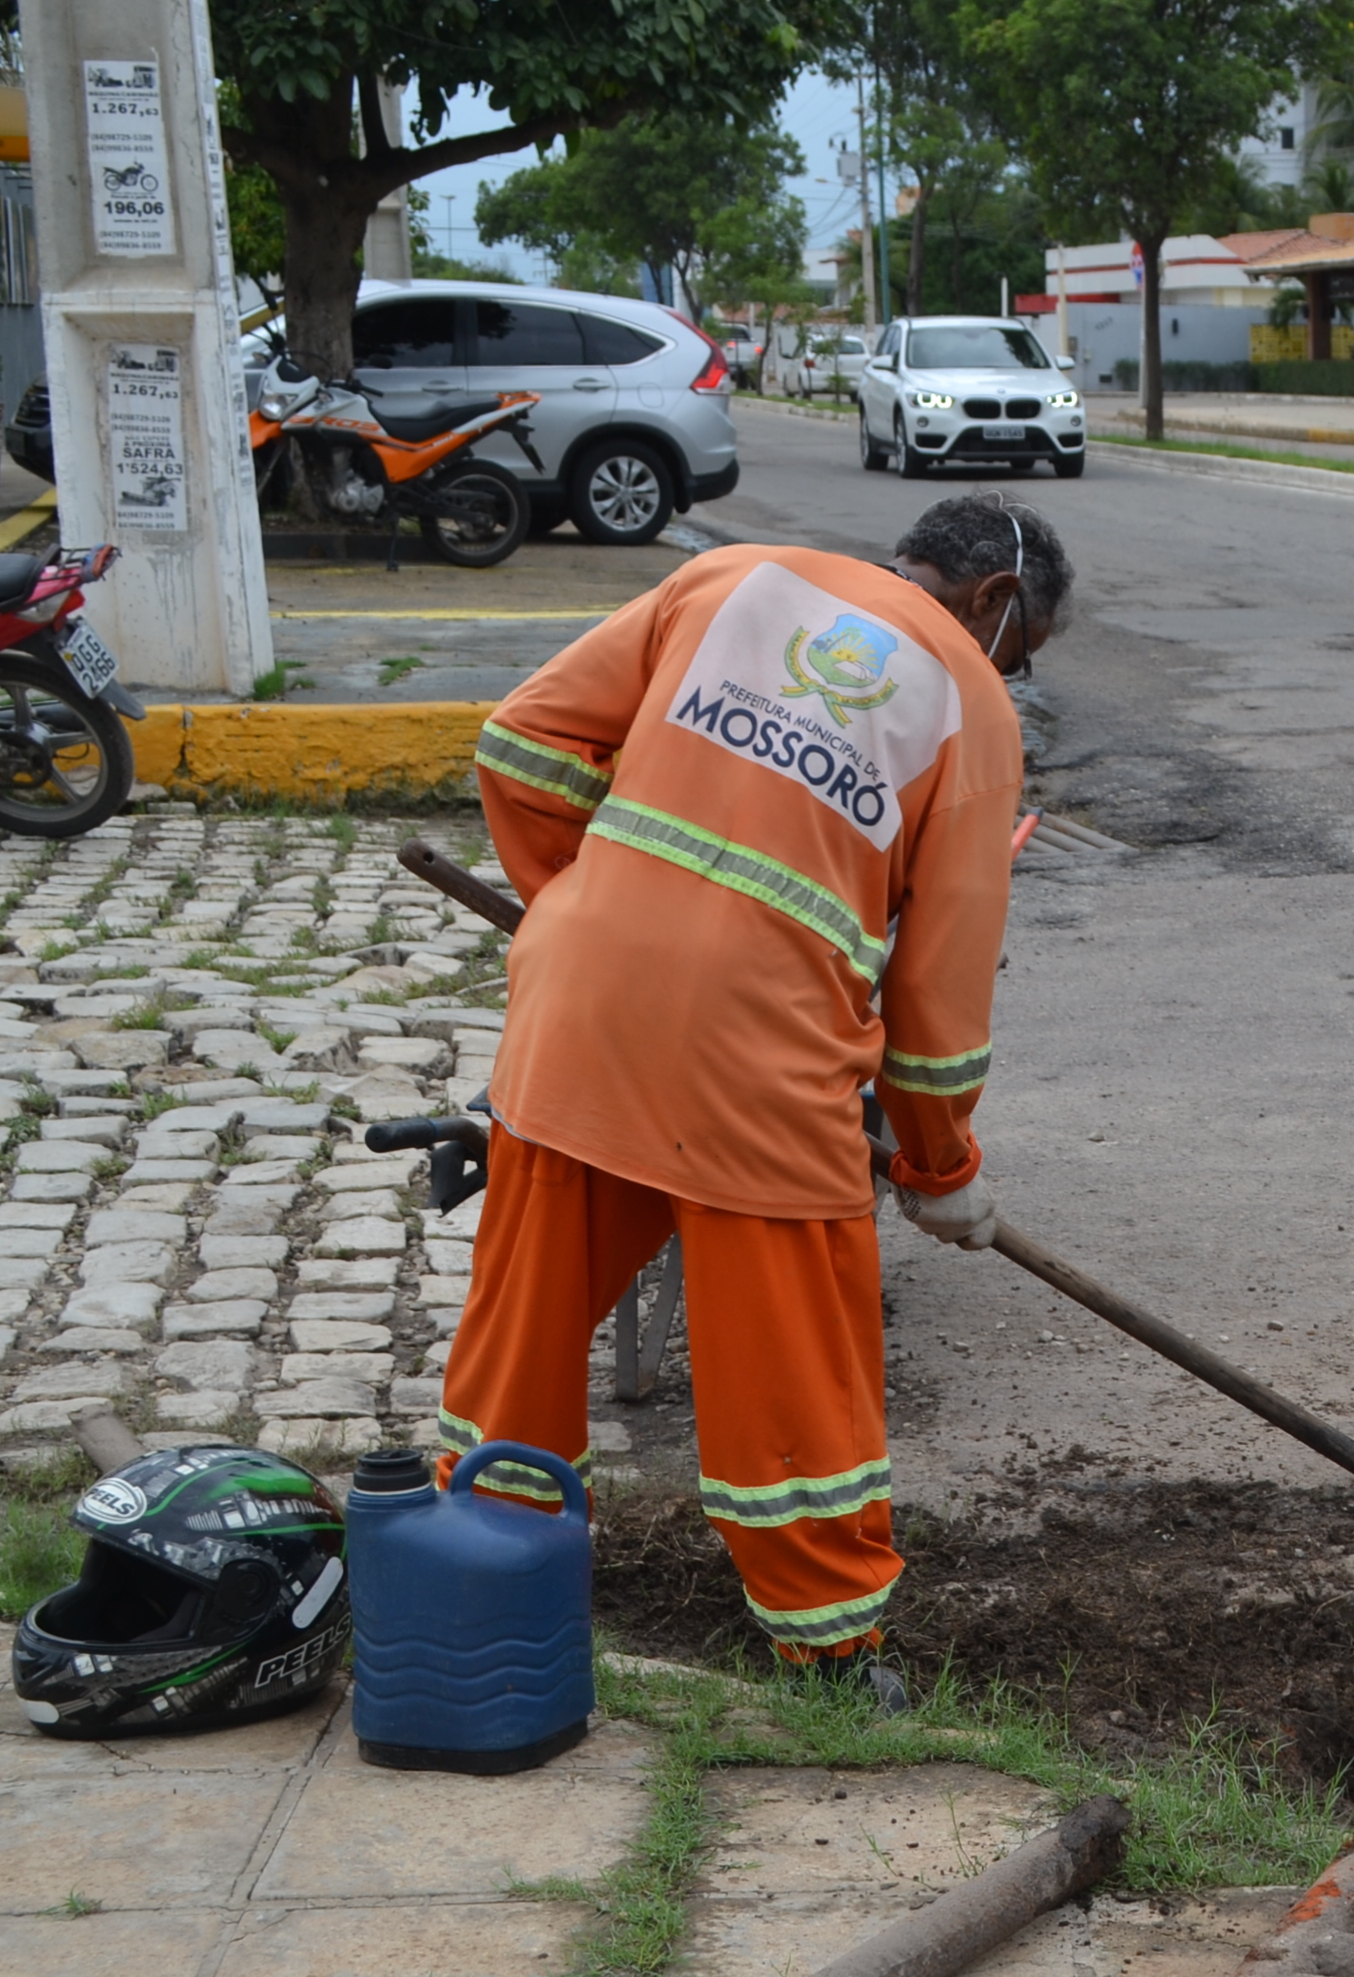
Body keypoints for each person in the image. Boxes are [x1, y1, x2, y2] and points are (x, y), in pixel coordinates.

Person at [439, 494, 1069, 1705]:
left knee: (521, 1336)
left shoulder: (727, 578)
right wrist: (943, 1173)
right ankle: (831, 1655)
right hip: (763, 1071)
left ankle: (480, 1572)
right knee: (797, 1376)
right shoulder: (971, 705)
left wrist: (588, 913)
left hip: (575, 1021)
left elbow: (518, 747)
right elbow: (938, 1004)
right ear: (993, 604)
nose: (1016, 678)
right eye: (1024, 652)